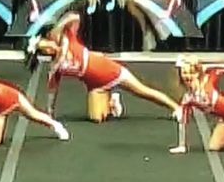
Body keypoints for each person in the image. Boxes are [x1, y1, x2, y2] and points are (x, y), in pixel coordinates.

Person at [27, 12, 181, 123]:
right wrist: (50, 113)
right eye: (44, 50)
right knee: (96, 118)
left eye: (46, 45)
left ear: (49, 39)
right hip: (94, 84)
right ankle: (112, 101)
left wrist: (58, 27)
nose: (49, 49)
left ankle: (175, 107)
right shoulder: (55, 67)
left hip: (107, 70)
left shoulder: (67, 37)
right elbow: (52, 91)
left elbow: (75, 16)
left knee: (142, 91)